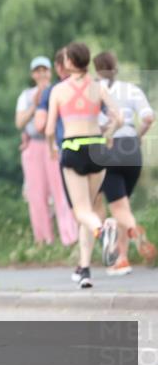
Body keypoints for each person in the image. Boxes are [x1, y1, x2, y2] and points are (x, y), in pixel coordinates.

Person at [45, 42, 122, 288]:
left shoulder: (58, 90)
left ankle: (103, 230)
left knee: (82, 212)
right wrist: (108, 133)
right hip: (98, 148)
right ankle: (84, 269)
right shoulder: (98, 87)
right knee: (87, 211)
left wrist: (52, 148)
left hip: (73, 148)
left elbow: (48, 129)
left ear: (69, 62)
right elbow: (118, 117)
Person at [92, 51, 155, 275]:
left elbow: (94, 125)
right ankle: (123, 258)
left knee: (117, 207)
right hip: (132, 150)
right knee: (122, 204)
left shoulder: (96, 91)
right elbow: (149, 117)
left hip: (109, 148)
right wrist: (137, 136)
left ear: (97, 69)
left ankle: (137, 234)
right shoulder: (132, 89)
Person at [15, 56, 79, 246]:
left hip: (55, 144)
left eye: (45, 70)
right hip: (34, 144)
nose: (41, 74)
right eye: (38, 71)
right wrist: (35, 104)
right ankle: (43, 240)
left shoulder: (59, 91)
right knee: (37, 195)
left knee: (61, 192)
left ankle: (70, 238)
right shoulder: (26, 96)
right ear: (33, 74)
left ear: (50, 72)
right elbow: (19, 123)